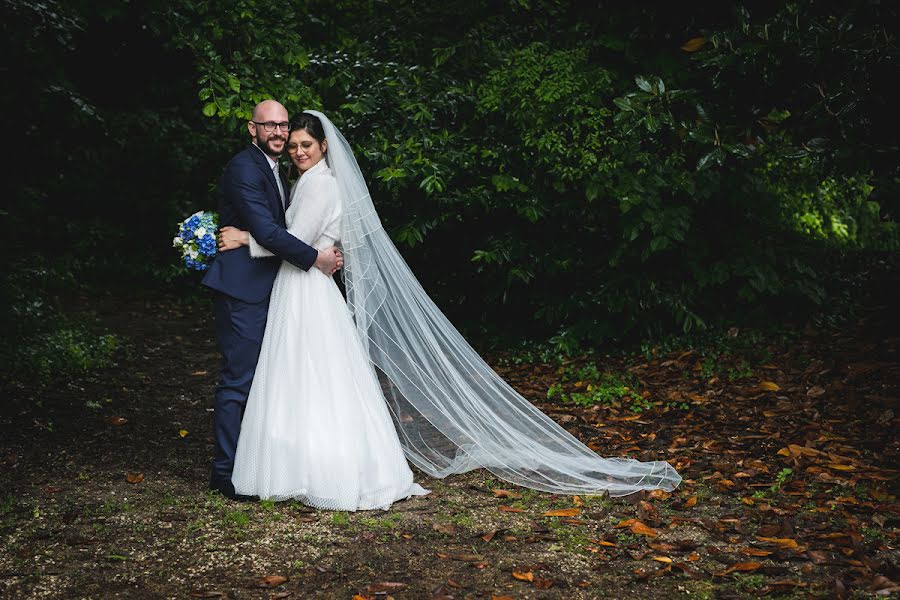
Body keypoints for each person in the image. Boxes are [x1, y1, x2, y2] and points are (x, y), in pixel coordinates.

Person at [217, 110, 682, 509]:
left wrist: (244, 239)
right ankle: (312, 459)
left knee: (310, 374)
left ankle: (314, 466)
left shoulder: (319, 186)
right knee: (316, 376)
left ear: (323, 147)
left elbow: (292, 240)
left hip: (306, 289)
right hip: (307, 285)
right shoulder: (314, 181)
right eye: (293, 144)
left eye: (305, 144)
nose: (297, 151)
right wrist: (318, 252)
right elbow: (302, 241)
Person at [201, 100, 344, 500]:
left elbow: (287, 230)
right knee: (240, 380)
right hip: (244, 289)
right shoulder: (246, 168)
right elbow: (269, 230)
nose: (281, 135)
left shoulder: (286, 172)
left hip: (277, 287)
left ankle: (263, 463)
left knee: (278, 379)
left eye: (286, 127)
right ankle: (226, 473)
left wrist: (321, 249)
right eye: (272, 127)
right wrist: (315, 256)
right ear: (253, 129)